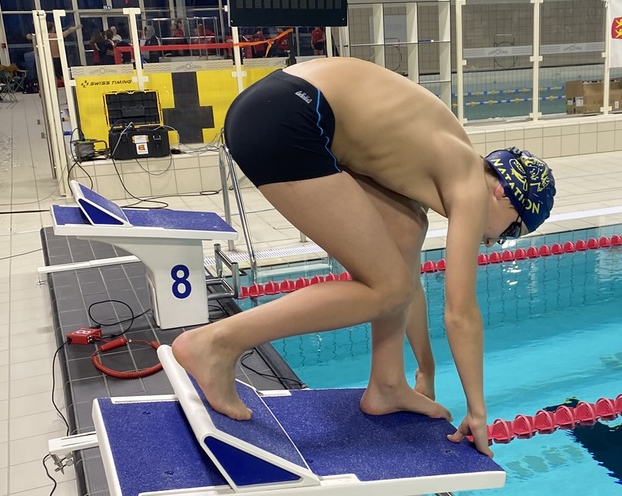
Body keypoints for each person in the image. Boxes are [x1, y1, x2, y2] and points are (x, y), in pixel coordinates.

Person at [172, 57, 555, 456]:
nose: (495, 242)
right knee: (388, 288)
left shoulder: (436, 160)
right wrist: (478, 411)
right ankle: (216, 343)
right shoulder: (472, 186)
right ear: (504, 193)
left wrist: (426, 368)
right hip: (290, 115)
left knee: (406, 232)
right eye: (511, 231)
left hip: (278, 104)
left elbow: (412, 282)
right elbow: (461, 313)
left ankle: (387, 385)